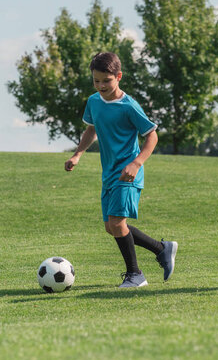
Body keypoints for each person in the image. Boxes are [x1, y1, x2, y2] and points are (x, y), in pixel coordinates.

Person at [65, 52, 178, 288]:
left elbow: (152, 136)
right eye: (96, 81)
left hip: (128, 173)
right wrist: (78, 154)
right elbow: (91, 130)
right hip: (109, 174)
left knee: (117, 224)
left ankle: (135, 275)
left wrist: (136, 163)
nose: (101, 86)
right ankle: (161, 249)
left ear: (118, 77)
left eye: (106, 80)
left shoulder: (129, 106)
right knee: (112, 227)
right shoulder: (94, 101)